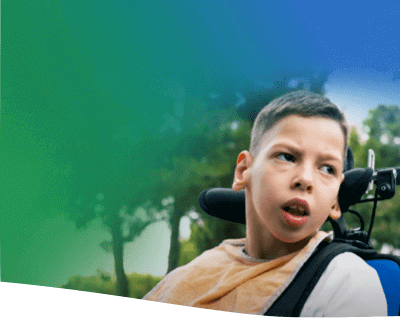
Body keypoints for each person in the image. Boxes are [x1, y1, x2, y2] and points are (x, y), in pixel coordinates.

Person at [142, 90, 387, 316]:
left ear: (335, 200)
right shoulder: (189, 276)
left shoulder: (346, 281)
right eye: (286, 157)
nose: (305, 179)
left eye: (327, 168)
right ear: (243, 171)